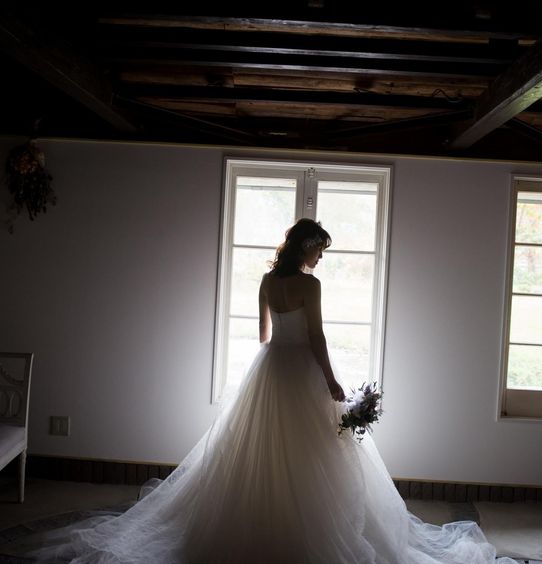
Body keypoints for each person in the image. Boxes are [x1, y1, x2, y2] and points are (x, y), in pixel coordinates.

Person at [28, 218, 517, 563]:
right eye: (320, 249)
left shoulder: (266, 280)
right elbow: (317, 336)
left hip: (270, 368)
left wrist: (282, 345)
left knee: (258, 453)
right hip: (302, 368)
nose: (321, 257)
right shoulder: (310, 285)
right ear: (307, 248)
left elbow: (263, 335)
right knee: (316, 454)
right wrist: (331, 380)